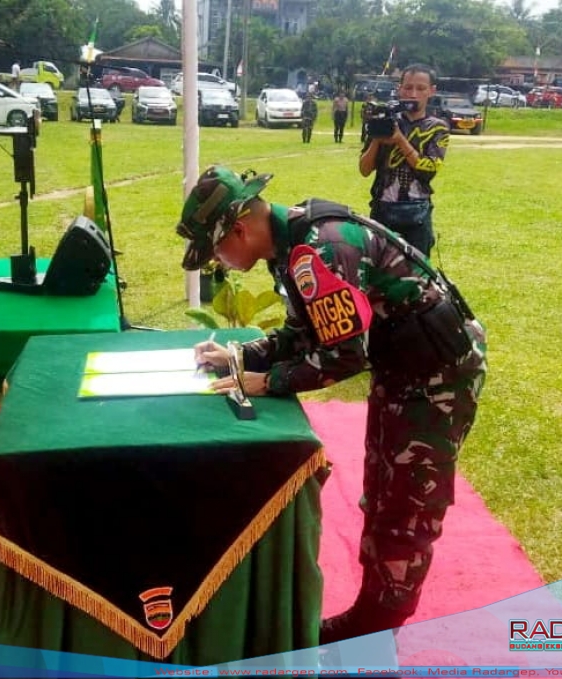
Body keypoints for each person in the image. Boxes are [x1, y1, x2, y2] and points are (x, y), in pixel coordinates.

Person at [177, 165, 486, 645]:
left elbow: (344, 355)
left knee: (408, 506)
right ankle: (372, 614)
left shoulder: (323, 247)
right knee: (383, 494)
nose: (219, 261)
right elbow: (305, 331)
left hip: (437, 378)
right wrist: (243, 354)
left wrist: (268, 381)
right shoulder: (291, 246)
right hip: (403, 369)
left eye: (217, 250)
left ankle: (378, 632)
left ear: (239, 229)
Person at [359, 64, 449, 257]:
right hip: (382, 208)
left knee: (417, 273)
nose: (413, 94)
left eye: (421, 88)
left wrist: (400, 140)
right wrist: (377, 135)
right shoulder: (387, 119)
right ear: (399, 88)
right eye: (408, 87)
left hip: (416, 212)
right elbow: (365, 170)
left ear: (432, 91)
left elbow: (428, 170)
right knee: (379, 271)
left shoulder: (437, 128)